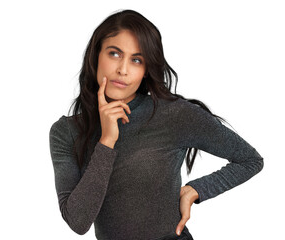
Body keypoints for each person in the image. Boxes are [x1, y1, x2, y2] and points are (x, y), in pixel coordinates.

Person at [49, 9, 264, 240]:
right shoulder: (66, 132)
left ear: (145, 70)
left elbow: (250, 160)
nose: (123, 69)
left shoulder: (173, 114)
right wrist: (107, 141)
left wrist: (196, 190)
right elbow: (78, 222)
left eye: (136, 60)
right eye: (114, 54)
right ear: (96, 55)